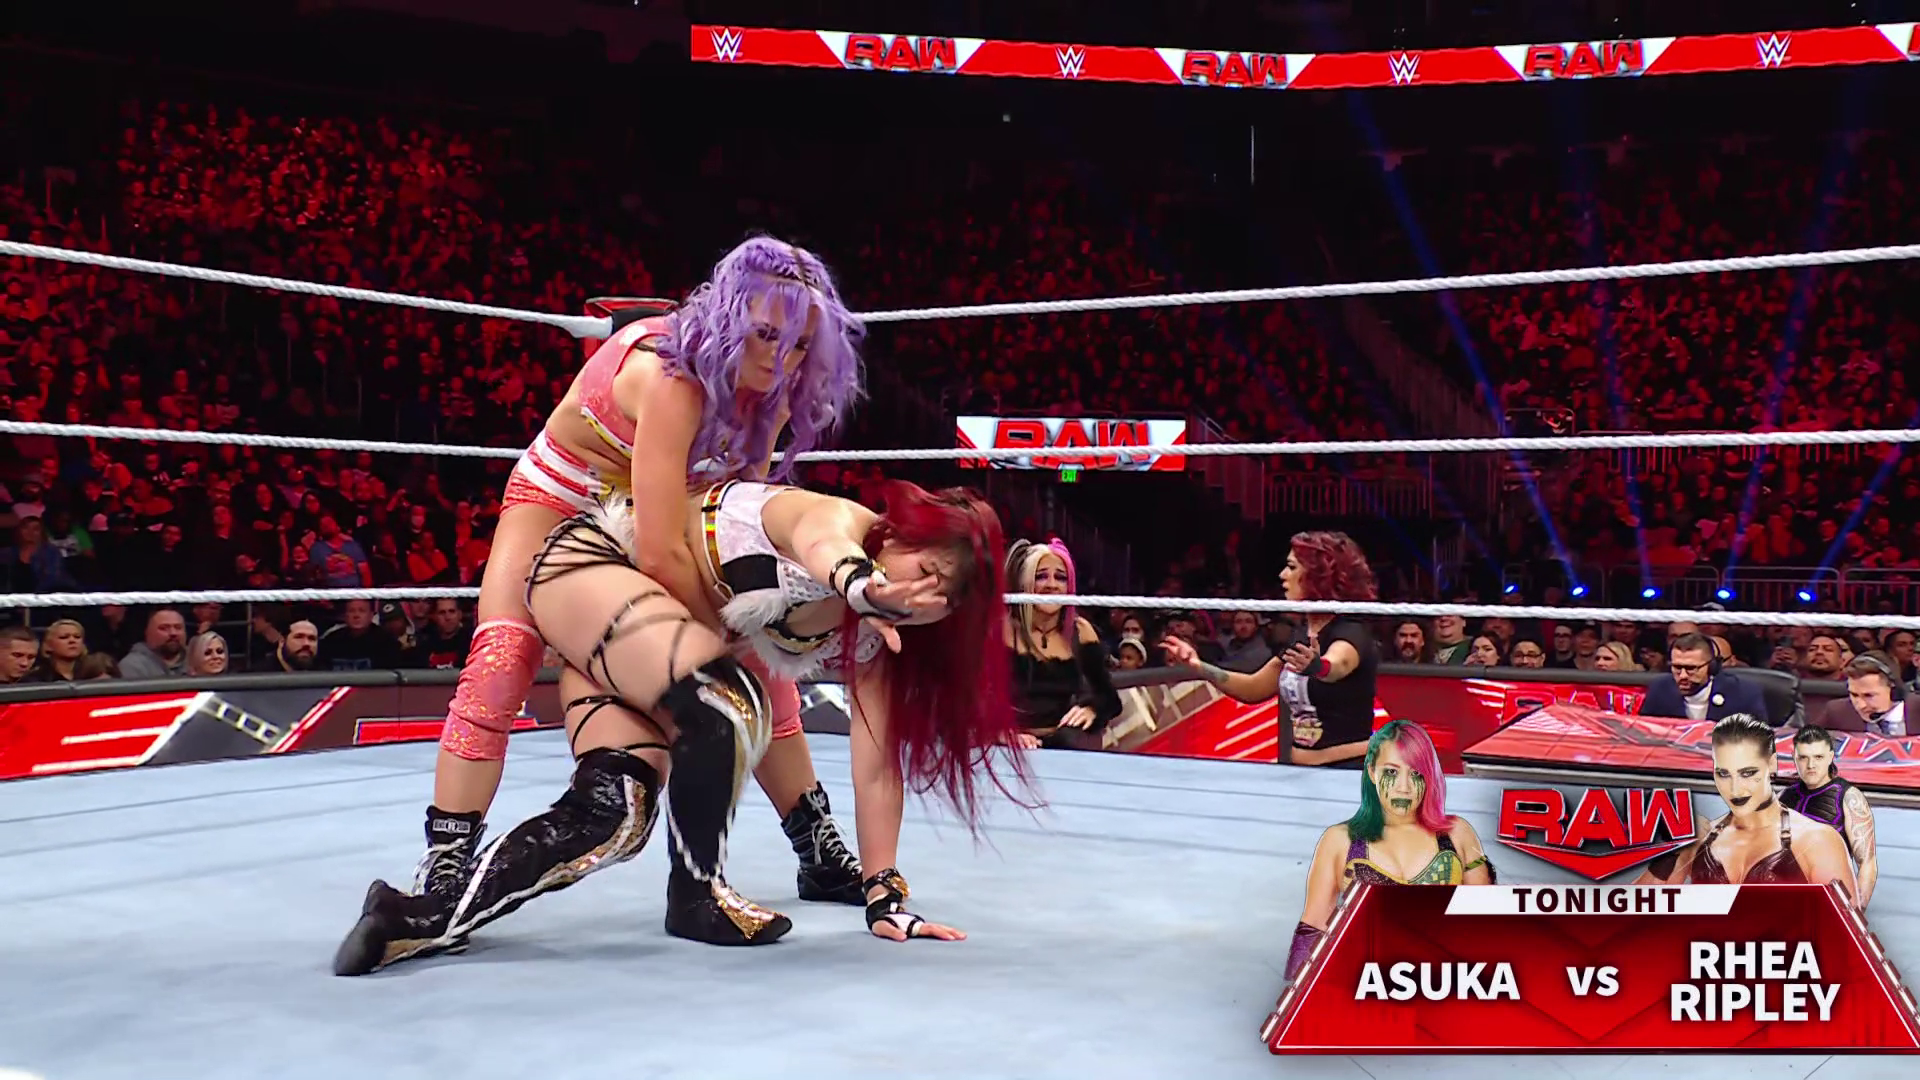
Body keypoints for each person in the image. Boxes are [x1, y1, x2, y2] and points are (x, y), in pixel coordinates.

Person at [334, 478, 1026, 974]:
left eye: (944, 600)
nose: (922, 599)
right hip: (595, 574)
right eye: (926, 571)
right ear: (899, 535)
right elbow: (821, 543)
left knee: (616, 814)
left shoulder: (879, 637)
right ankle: (697, 894)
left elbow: (876, 765)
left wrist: (885, 894)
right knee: (729, 701)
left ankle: (417, 918)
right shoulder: (836, 520)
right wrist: (860, 586)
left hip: (642, 653)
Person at [399, 237, 871, 927]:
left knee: (752, 645)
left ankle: (816, 844)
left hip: (672, 501)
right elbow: (659, 555)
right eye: (767, 335)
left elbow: (739, 511)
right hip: (563, 497)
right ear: (733, 317)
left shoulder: (774, 394)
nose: (780, 358)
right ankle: (447, 859)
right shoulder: (670, 376)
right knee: (502, 656)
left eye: (800, 344)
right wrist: (703, 644)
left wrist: (744, 622)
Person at [1286, 720, 1494, 981]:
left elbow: (1487, 926)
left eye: (1416, 774)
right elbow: (1312, 929)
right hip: (1362, 987)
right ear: (1372, 772)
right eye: (1391, 772)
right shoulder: (1338, 841)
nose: (1404, 787)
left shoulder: (1458, 834)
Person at [1161, 531, 1379, 766]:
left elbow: (1339, 664)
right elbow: (1254, 688)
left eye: (1292, 567)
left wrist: (1318, 667)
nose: (1282, 575)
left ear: (1319, 576)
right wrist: (1199, 666)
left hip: (1349, 768)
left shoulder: (1350, 630)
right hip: (1300, 769)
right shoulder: (1300, 635)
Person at [1636, 714, 1857, 900]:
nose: (1735, 789)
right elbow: (1632, 913)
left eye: (1747, 773)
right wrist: (1673, 851)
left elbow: (1847, 933)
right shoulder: (1700, 839)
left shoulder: (1816, 840)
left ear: (1771, 764)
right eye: (1723, 774)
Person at [1004, 539, 1120, 750]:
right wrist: (1005, 735)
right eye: (1041, 576)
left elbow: (1109, 698)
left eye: (1061, 578)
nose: (1052, 585)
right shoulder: (1001, 630)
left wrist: (1091, 709)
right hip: (1009, 746)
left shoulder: (1080, 631)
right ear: (1024, 583)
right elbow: (974, 701)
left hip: (1062, 745)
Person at [1780, 726, 1877, 909]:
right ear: (1795, 757)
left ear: (1830, 757)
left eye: (1818, 757)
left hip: (1827, 900)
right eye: (1803, 757)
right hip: (1786, 898)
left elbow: (1867, 862)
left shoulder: (1848, 798)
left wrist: (1856, 911)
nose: (1811, 765)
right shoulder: (1784, 796)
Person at [1636, 631, 1766, 722]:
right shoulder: (1660, 689)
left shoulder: (1744, 693)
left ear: (1712, 667)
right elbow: (1645, 735)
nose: (1683, 675)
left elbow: (1758, 740)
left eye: (1691, 668)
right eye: (1677, 667)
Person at [1816, 653, 1908, 736]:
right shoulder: (1837, 711)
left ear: (1893, 690)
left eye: (1869, 695)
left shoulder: (1915, 711)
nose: (1861, 705)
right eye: (1854, 695)